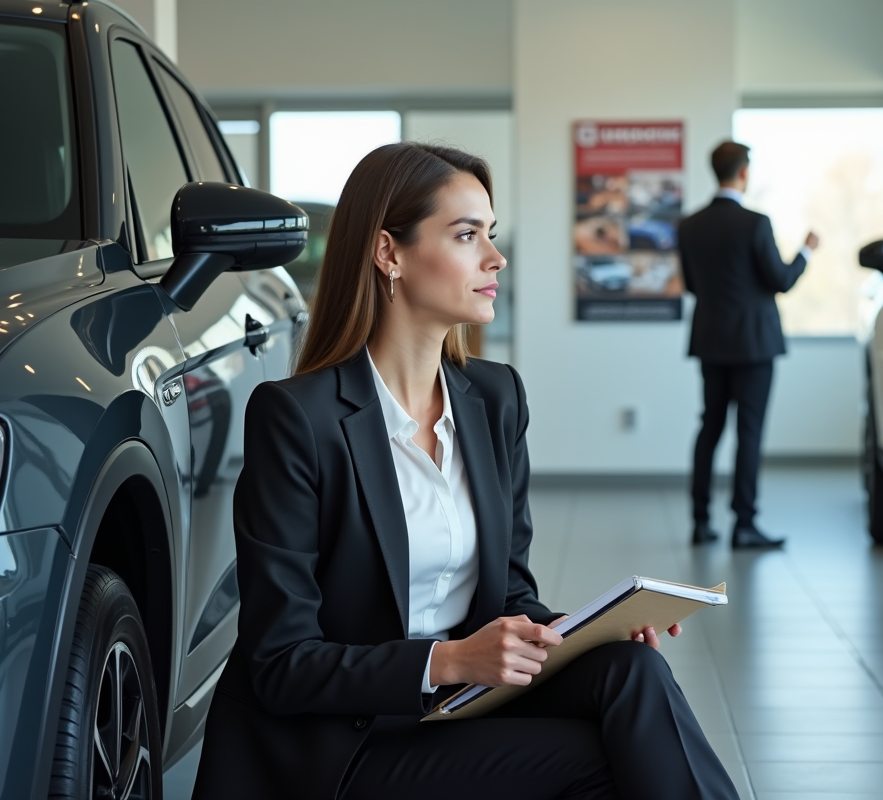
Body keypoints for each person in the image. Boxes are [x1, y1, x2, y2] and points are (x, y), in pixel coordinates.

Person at [191, 143, 740, 800]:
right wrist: (447, 659)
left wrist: (590, 630)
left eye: (492, 234)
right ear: (388, 253)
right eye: (466, 234)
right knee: (606, 760)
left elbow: (510, 599)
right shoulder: (296, 419)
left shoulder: (495, 399)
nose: (495, 258)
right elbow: (281, 663)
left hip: (458, 704)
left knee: (630, 670)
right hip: (346, 742)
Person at [678, 141, 818, 549]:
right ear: (743, 173)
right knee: (749, 432)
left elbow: (691, 285)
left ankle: (700, 521)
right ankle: (744, 524)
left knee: (710, 427)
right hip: (754, 344)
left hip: (710, 340)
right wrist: (806, 251)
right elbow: (781, 280)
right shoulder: (756, 223)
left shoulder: (689, 224)